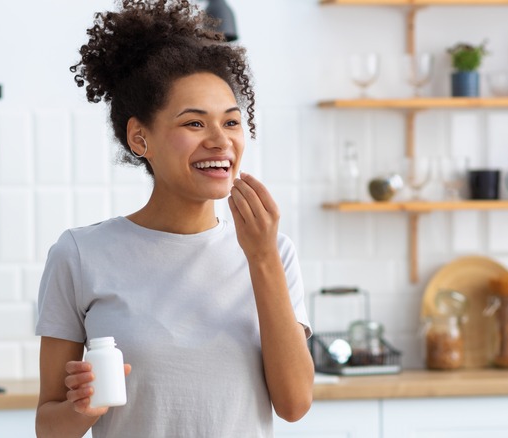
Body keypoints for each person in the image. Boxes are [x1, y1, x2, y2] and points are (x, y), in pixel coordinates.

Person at [35, 1, 314, 436]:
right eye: (195, 124)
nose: (221, 141)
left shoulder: (273, 252)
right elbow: (48, 426)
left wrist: (261, 258)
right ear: (139, 137)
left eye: (232, 123)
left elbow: (294, 404)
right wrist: (81, 410)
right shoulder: (80, 254)